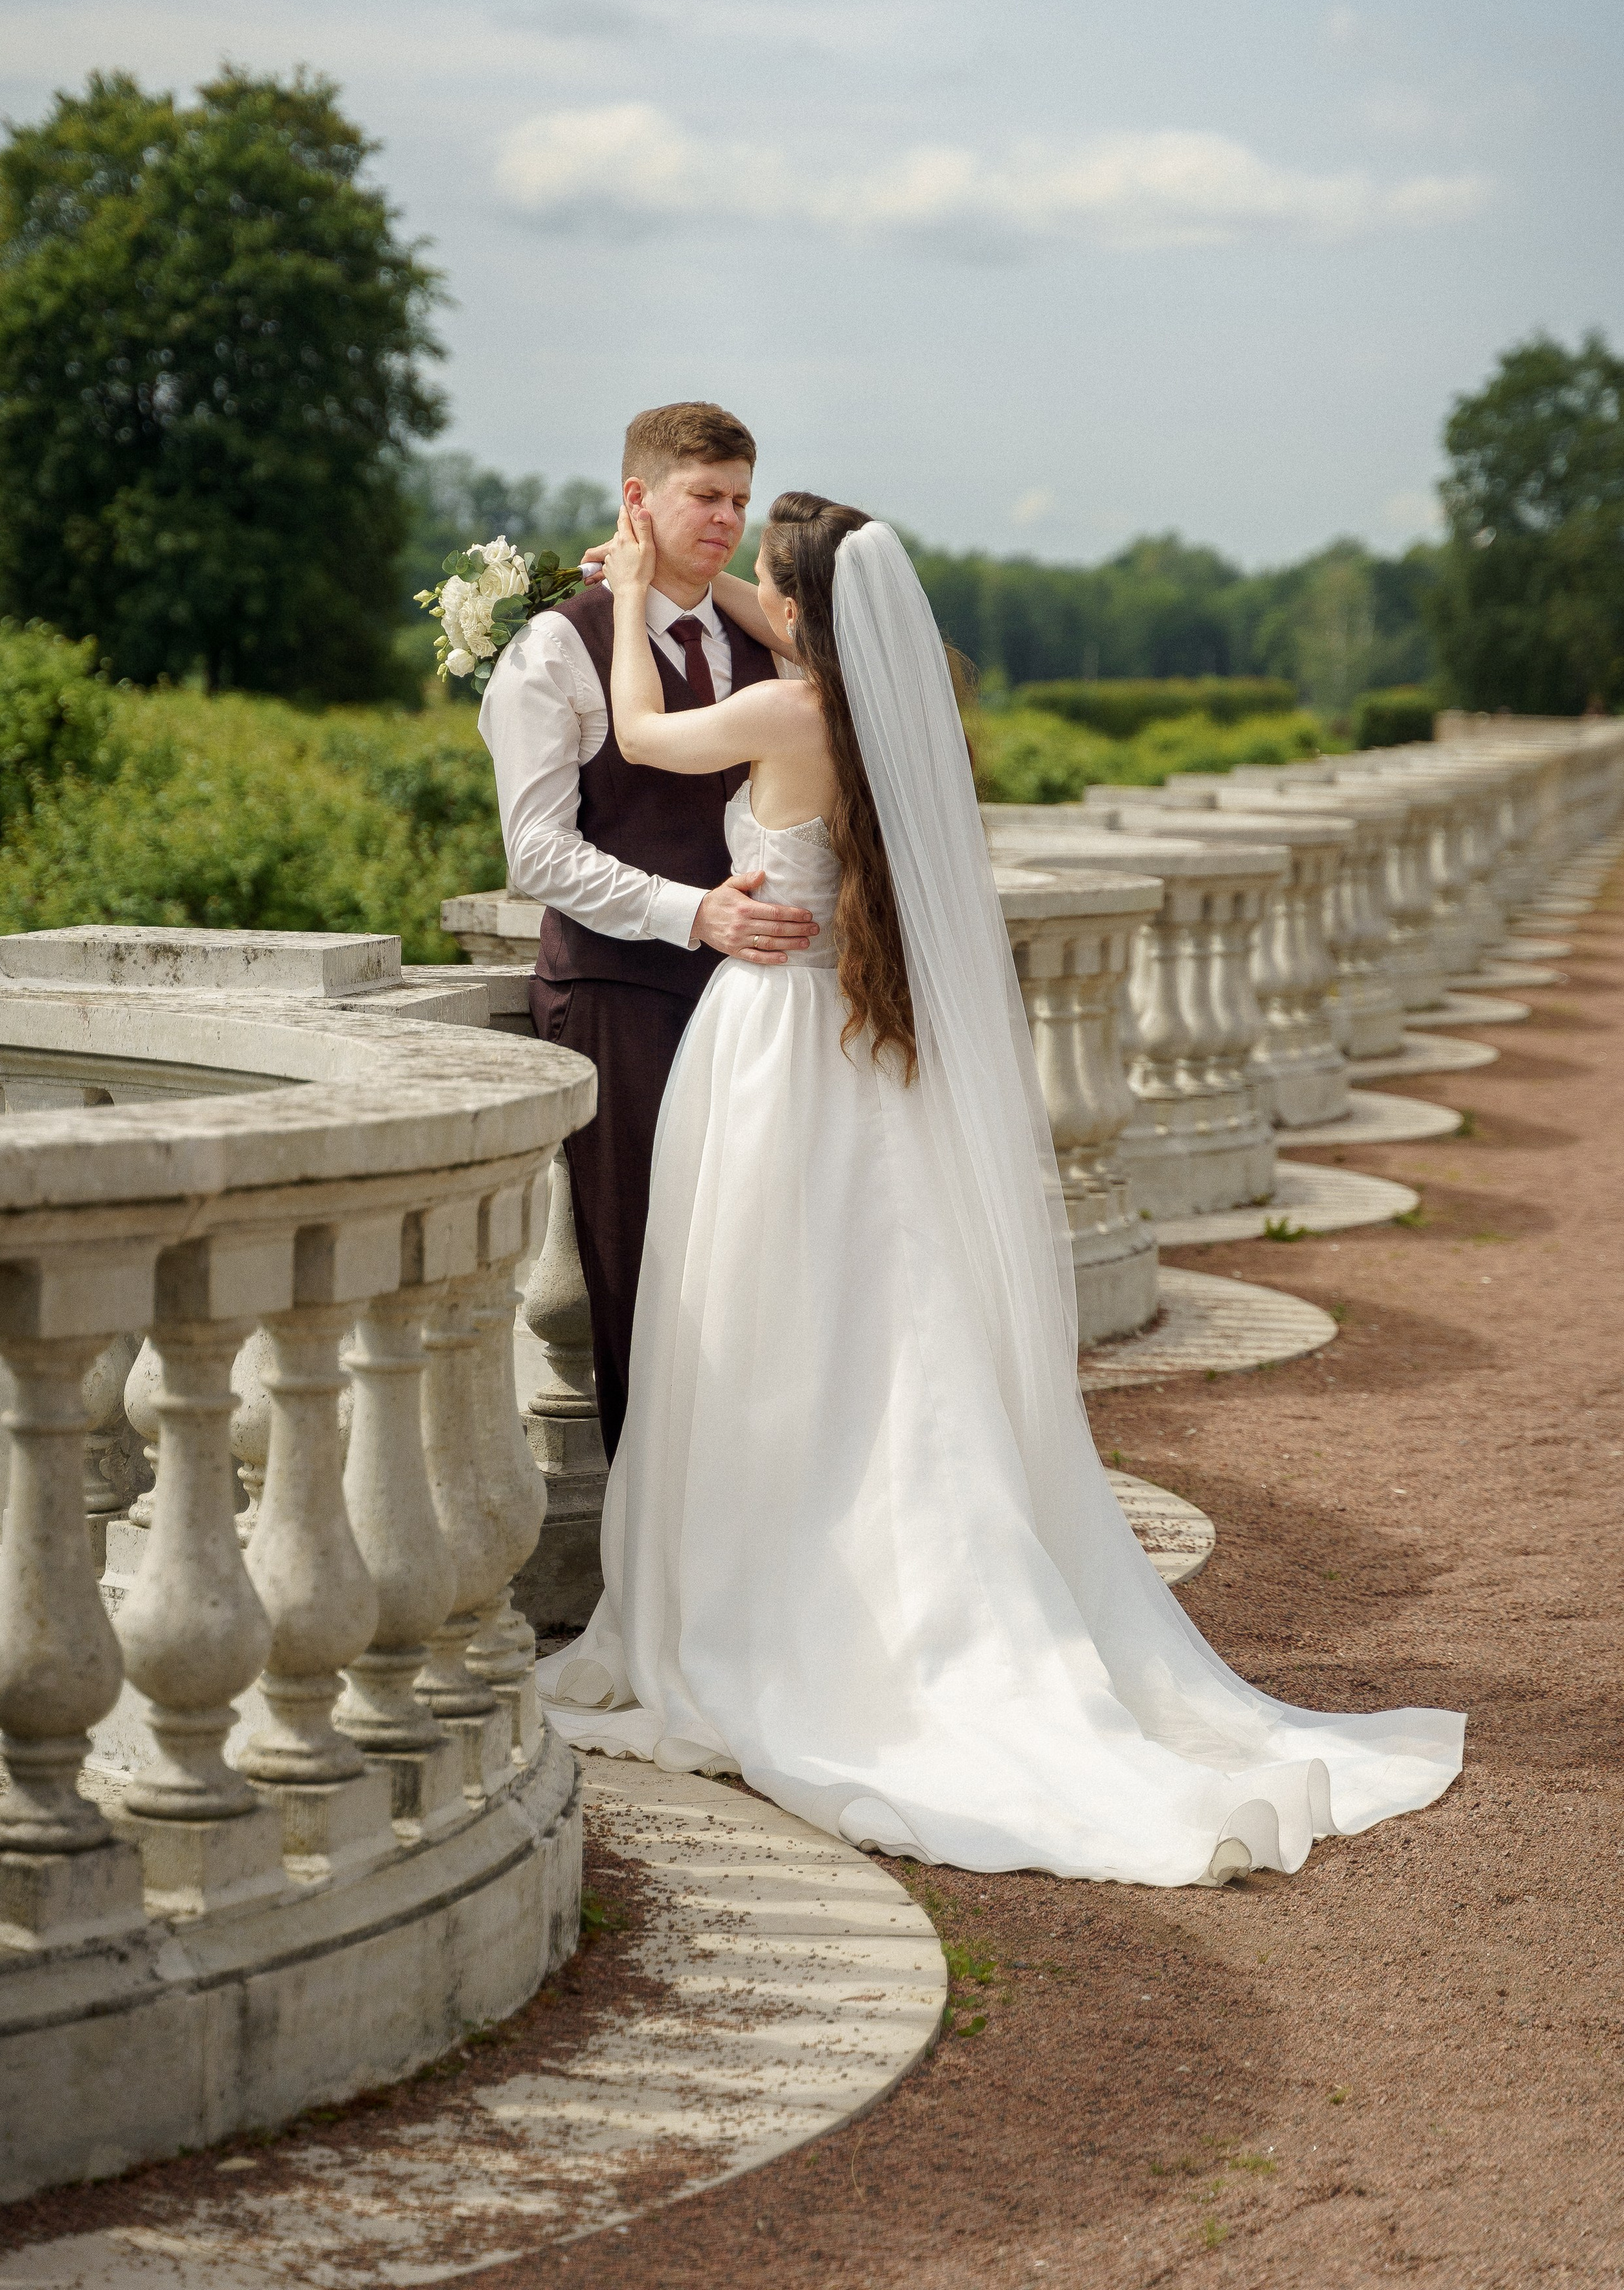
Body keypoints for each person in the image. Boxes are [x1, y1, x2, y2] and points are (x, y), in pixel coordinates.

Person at [538, 490, 1465, 1885]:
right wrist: (715, 580)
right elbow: (792, 624)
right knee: (880, 1329)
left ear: (797, 615)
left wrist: (621, 595)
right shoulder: (870, 709)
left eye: (767, 590)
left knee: (763, 1322)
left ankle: (778, 1597)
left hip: (766, 1044)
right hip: (858, 1056)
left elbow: (638, 733)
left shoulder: (783, 718)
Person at [478, 401, 819, 1461]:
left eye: (739, 502)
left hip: (757, 1008)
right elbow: (537, 851)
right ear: (639, 500)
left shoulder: (760, 638)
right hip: (619, 1000)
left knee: (755, 1284)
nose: (725, 520)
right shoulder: (556, 649)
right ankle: (654, 1560)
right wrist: (694, 914)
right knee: (642, 1289)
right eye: (703, 498)